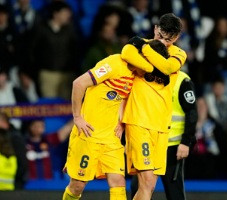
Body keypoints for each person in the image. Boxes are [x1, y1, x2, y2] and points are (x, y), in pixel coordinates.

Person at [62, 40, 169, 200]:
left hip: (111, 138)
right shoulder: (113, 63)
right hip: (88, 134)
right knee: (77, 186)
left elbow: (121, 98)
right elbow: (78, 84)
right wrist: (77, 117)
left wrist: (120, 121)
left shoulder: (135, 75)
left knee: (119, 182)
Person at [118, 13, 187, 200]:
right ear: (156, 28)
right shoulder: (136, 45)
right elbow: (125, 53)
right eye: (161, 36)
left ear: (177, 37)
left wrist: (146, 50)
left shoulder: (179, 53)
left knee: (150, 185)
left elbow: (166, 68)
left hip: (162, 126)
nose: (164, 42)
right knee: (147, 181)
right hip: (139, 121)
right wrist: (150, 63)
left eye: (169, 39)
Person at [131, 71, 197, 200]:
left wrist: (186, 142)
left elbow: (192, 112)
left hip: (172, 147)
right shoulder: (147, 76)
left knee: (174, 192)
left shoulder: (182, 80)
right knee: (138, 187)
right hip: (149, 143)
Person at [0, 107, 28, 189]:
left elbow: (22, 166)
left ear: (4, 123)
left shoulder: (15, 139)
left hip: (13, 188)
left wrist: (8, 180)